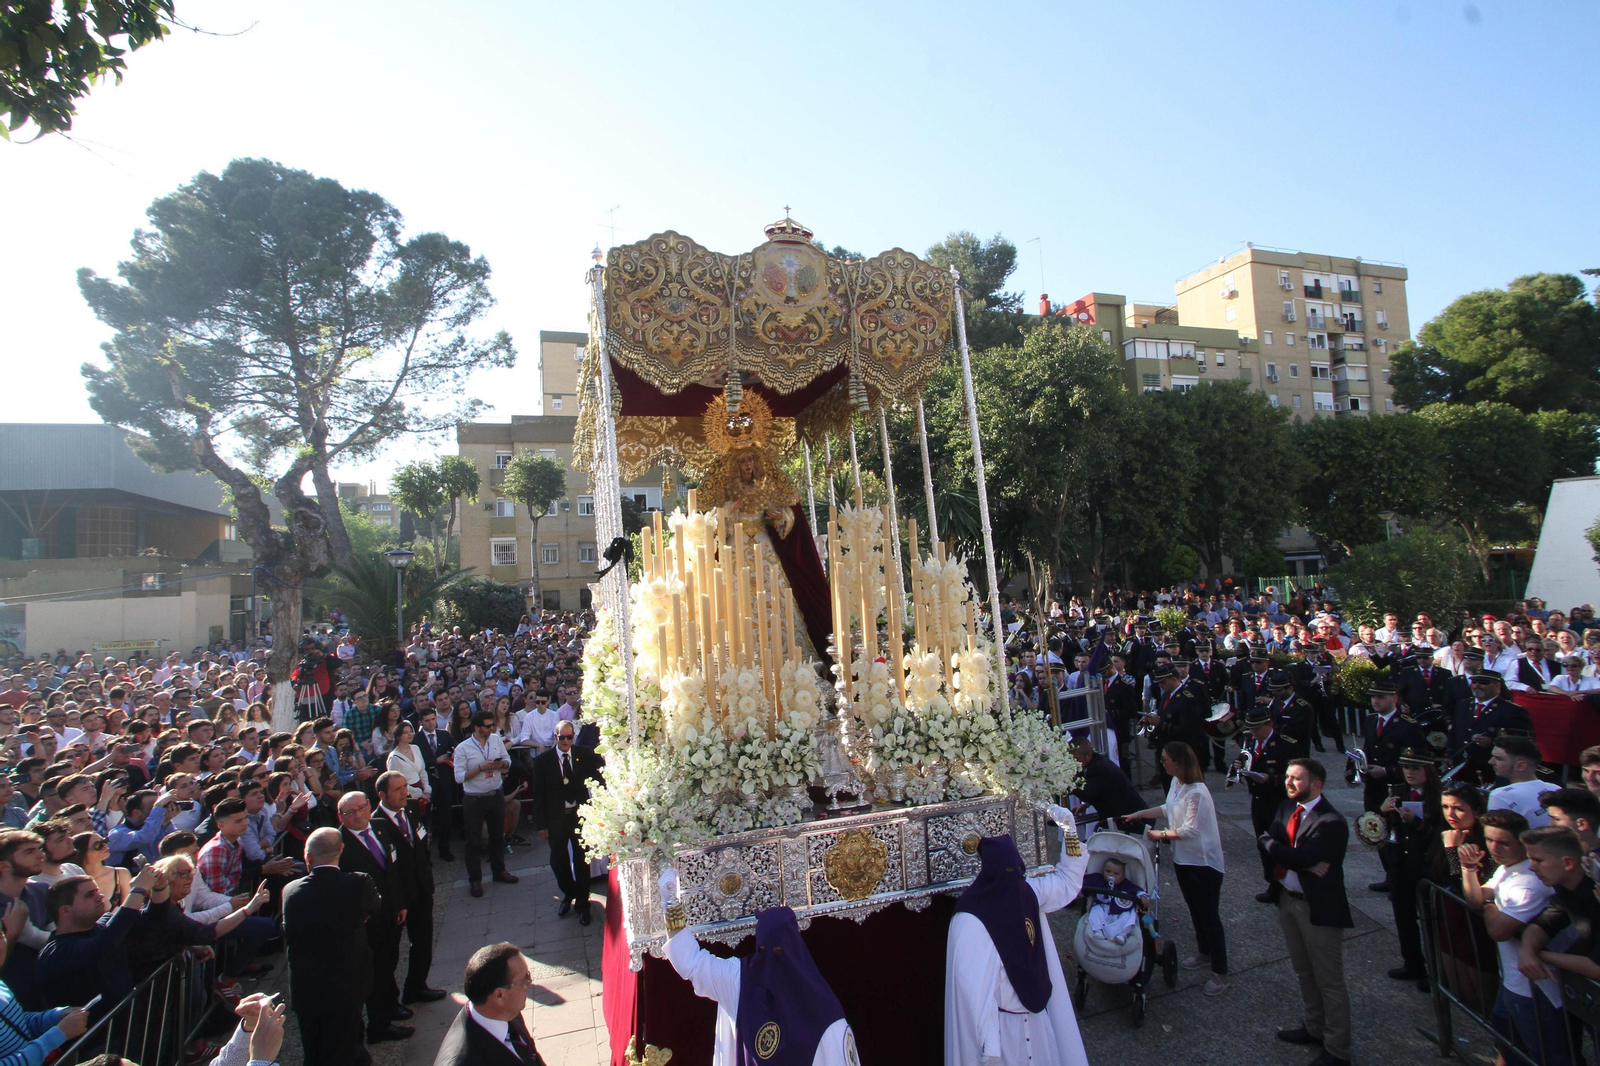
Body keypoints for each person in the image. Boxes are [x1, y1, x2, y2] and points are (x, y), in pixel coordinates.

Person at [943, 812, 1089, 1066]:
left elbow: (1067, 884)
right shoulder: (972, 918)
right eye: (1009, 870)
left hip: (1037, 1022)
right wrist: (989, 1043)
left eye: (1019, 870)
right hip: (1004, 1030)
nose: (1016, 876)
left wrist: (1070, 832)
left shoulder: (1026, 892)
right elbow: (974, 991)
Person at [1456, 811, 1573, 1066]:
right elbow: (1476, 898)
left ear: (1522, 843)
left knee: (1546, 1057)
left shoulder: (1530, 882)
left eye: (1504, 843)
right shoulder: (1507, 868)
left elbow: (1498, 930)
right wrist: (1468, 868)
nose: (1495, 848)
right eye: (1489, 840)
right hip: (1511, 983)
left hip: (1535, 991)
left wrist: (1489, 906)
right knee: (1510, 1050)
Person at [1261, 759, 1354, 1066]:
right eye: (1288, 777)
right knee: (1304, 971)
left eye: (1296, 779)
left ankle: (1337, 1049)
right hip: (1288, 900)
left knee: (1329, 979)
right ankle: (1314, 1028)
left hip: (1317, 907)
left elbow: (1289, 851)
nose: (1288, 783)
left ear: (1316, 784)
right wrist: (1296, 858)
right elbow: (1267, 840)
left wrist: (1289, 854)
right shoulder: (1286, 807)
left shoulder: (1331, 821)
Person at [1127, 742, 1229, 995]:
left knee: (1209, 915)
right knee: (1195, 910)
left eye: (1165, 759)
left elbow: (1191, 830)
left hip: (1203, 863)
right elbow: (1167, 808)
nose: (1162, 763)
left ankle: (1221, 972)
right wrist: (1140, 814)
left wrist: (1160, 834)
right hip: (1183, 860)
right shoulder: (1176, 783)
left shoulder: (1197, 792)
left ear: (1179, 762)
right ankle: (1204, 952)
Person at [282, 826, 381, 1066]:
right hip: (346, 983)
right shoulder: (358, 882)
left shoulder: (290, 890)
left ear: (308, 856)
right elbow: (374, 907)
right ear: (341, 850)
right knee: (346, 1045)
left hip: (307, 987)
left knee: (313, 1050)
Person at [35, 864, 168, 1017]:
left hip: (125, 1027)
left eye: (97, 891)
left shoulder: (105, 923)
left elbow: (154, 917)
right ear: (65, 910)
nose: (100, 896)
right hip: (90, 1031)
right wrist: (138, 890)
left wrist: (160, 887)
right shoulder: (57, 951)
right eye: (89, 895)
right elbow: (104, 944)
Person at [335, 791, 412, 1045]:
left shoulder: (380, 827)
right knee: (374, 973)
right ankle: (379, 1026)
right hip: (366, 921)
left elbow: (393, 869)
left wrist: (400, 904)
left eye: (361, 808)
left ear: (370, 806)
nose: (357, 815)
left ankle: (391, 1005)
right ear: (340, 816)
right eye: (350, 812)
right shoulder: (339, 844)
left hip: (390, 911)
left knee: (389, 962)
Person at [371, 771, 445, 1006]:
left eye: (405, 786)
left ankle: (416, 988)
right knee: (389, 952)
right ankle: (390, 1003)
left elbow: (421, 845)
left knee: (423, 942)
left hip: (421, 888)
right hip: (397, 897)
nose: (404, 792)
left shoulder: (412, 809)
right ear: (382, 795)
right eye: (398, 789)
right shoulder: (375, 824)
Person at [1378, 748, 1441, 988]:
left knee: (1431, 920)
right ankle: (1413, 963)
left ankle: (1437, 972)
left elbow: (1439, 834)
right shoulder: (1397, 792)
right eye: (1406, 768)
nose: (1410, 773)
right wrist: (1382, 812)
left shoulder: (1439, 797)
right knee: (1403, 917)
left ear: (1428, 771)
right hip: (1400, 864)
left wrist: (1416, 822)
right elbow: (1378, 827)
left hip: (1426, 864)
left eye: (1415, 768)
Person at [530, 720, 603, 924]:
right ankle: (569, 893)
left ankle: (583, 904)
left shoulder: (582, 754)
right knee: (558, 861)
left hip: (579, 816)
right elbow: (539, 795)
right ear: (555, 737)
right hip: (556, 818)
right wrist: (541, 825)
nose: (565, 741)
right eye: (562, 737)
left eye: (569, 737)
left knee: (582, 861)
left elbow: (600, 775)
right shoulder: (543, 761)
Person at [432, 941, 543, 1066]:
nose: (529, 982)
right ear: (500, 995)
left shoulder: (507, 1010)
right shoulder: (464, 1061)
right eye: (524, 979)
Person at [1231, 707, 1294, 901]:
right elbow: (1245, 759)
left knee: (1280, 845)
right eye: (1251, 728)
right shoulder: (1250, 740)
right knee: (1263, 843)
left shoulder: (1286, 744)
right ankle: (1272, 882)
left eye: (1258, 728)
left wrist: (1269, 779)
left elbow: (1295, 777)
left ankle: (1284, 885)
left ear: (1270, 724)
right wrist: (1238, 767)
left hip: (1279, 803)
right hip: (1258, 801)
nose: (1254, 732)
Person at [454, 711, 518, 899]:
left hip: (495, 793)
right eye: (488, 726)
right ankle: (475, 880)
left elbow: (507, 759)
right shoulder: (463, 748)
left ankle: (499, 871)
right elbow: (459, 777)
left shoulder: (496, 740)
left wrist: (501, 765)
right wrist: (481, 768)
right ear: (477, 728)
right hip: (474, 798)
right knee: (473, 841)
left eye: (492, 725)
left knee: (497, 836)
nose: (492, 729)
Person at [1487, 736, 1560, 828]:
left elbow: (1497, 834)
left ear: (1521, 766)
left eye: (1498, 758)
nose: (1490, 762)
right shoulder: (1556, 789)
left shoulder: (1500, 795)